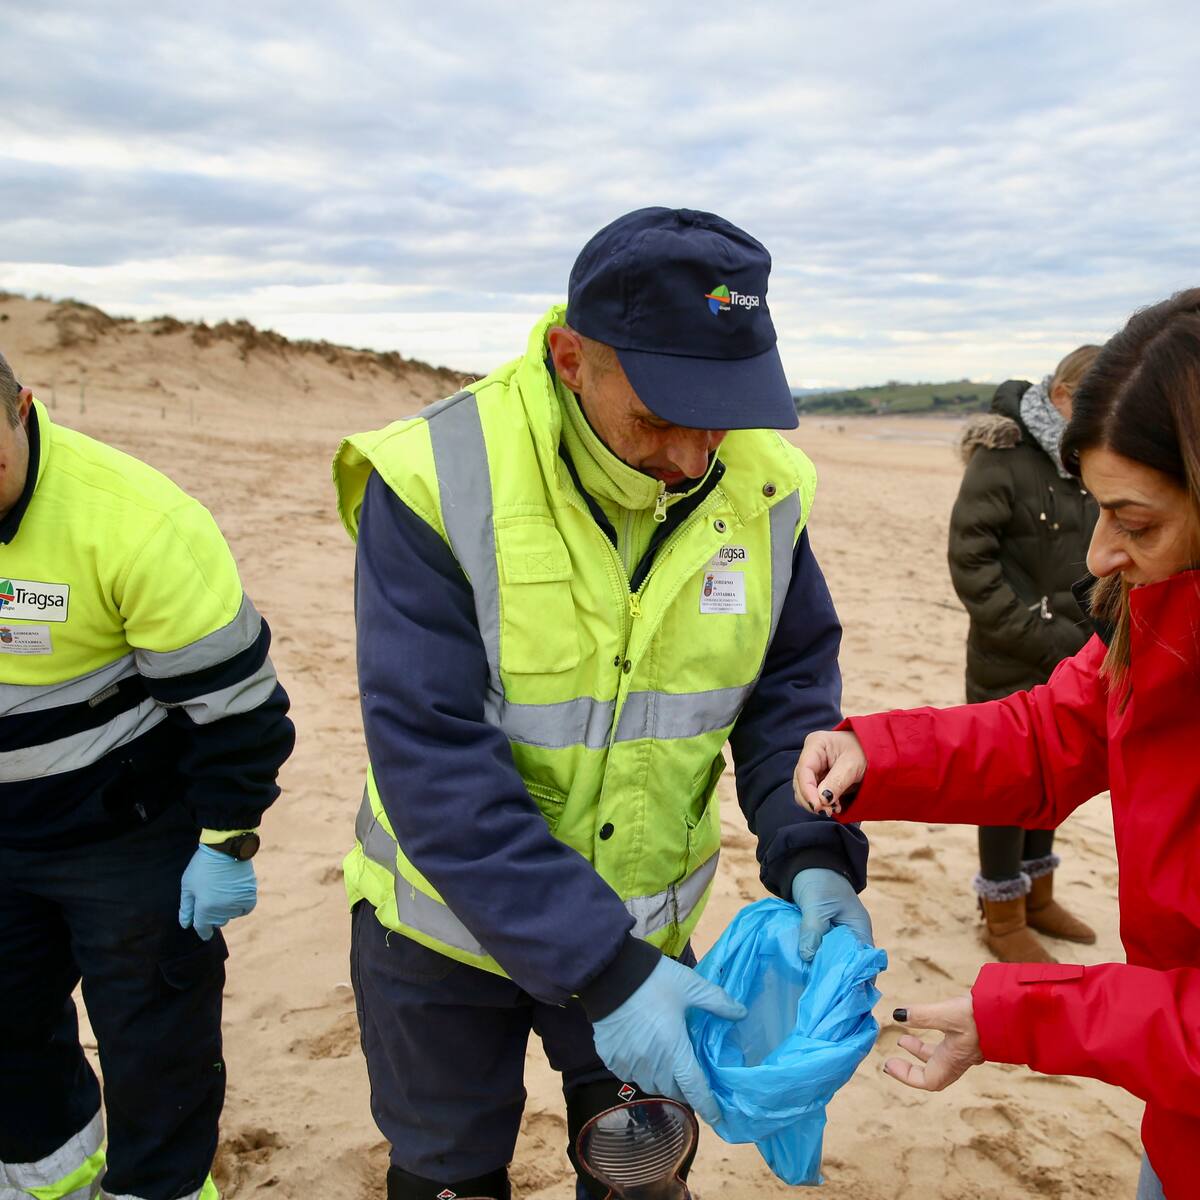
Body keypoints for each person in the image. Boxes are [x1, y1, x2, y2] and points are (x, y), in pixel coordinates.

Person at [333, 207, 872, 1200]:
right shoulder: (436, 475)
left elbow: (788, 697)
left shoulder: (766, 489)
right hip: (445, 933)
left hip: (648, 926)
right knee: (448, 1171)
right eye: (661, 414)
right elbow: (432, 756)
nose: (692, 454)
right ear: (569, 357)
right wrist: (601, 969)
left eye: (725, 410)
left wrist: (810, 852)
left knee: (640, 1169)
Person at [793, 289, 1200, 1200]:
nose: (1099, 555)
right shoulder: (1161, 611)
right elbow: (1051, 736)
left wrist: (1014, 1016)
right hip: (1179, 1128)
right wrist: (876, 753)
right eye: (1096, 509)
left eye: (1135, 522)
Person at [0, 354, 295, 1200]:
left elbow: (241, 717)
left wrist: (227, 843)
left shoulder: (136, 522)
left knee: (154, 1044)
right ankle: (50, 1180)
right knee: (9, 1029)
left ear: (22, 409)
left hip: (126, 836)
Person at [948, 345, 1100, 961]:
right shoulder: (1002, 456)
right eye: (1095, 406)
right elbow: (970, 560)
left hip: (1076, 654)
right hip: (1008, 655)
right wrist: (1034, 635)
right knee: (1006, 783)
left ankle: (1038, 896)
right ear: (1062, 396)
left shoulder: (1089, 457)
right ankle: (1003, 916)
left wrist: (1090, 638)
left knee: (1054, 776)